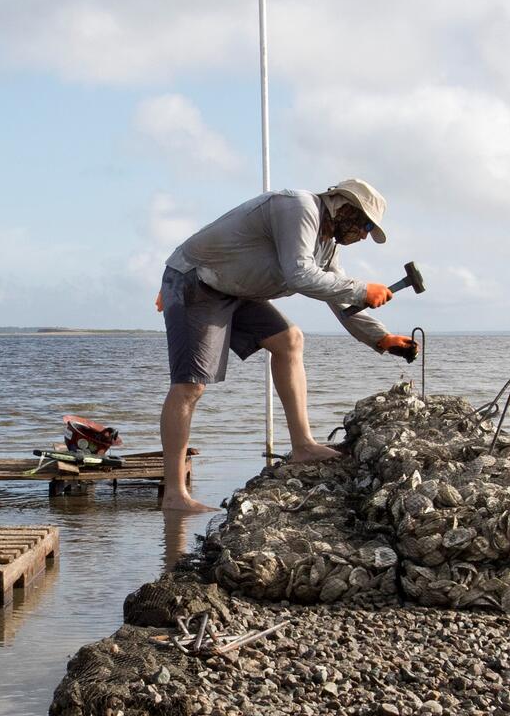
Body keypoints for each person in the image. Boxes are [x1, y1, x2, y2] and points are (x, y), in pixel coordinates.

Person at [156, 177, 417, 515]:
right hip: (196, 278)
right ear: (345, 206)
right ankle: (175, 495)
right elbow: (300, 274)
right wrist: (362, 290)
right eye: (365, 224)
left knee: (289, 340)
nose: (365, 235)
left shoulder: (327, 243)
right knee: (190, 386)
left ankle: (303, 445)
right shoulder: (299, 207)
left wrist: (380, 338)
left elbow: (337, 295)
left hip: (235, 289)